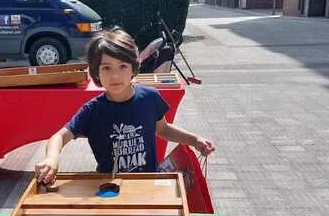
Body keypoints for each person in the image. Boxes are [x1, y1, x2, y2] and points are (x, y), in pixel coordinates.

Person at [35, 28, 214, 185]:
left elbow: (163, 129)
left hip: (148, 184)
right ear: (96, 72)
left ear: (133, 68)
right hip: (110, 187)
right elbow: (59, 137)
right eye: (106, 68)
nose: (115, 75)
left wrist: (194, 140)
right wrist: (51, 158)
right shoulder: (92, 111)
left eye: (122, 66)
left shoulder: (150, 97)